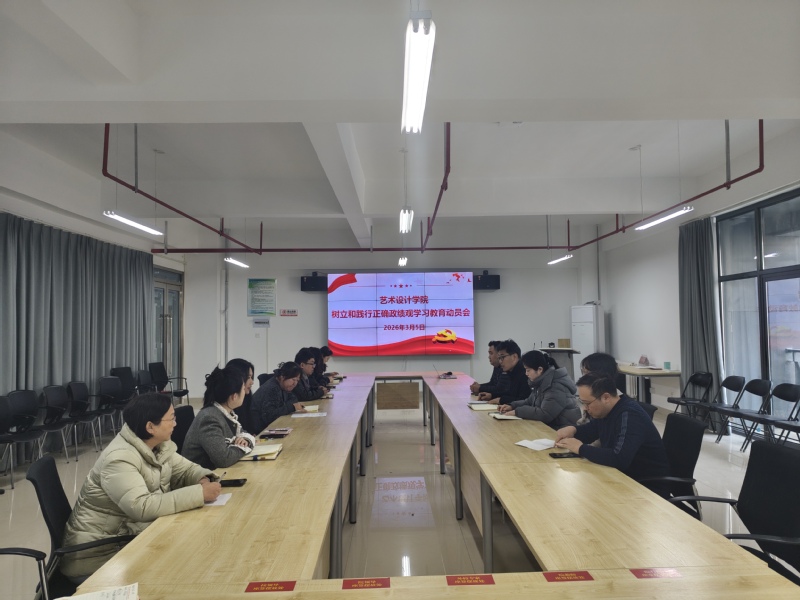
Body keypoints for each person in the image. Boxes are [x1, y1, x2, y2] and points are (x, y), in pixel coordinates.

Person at [61, 393, 221, 581]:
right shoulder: (119, 458)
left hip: (130, 539)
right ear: (150, 427)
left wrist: (202, 478)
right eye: (171, 418)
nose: (175, 424)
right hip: (98, 557)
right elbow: (141, 506)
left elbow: (185, 469)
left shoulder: (158, 445)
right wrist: (199, 494)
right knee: (185, 568)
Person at [554, 372, 670, 495]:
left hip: (646, 488)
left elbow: (619, 458)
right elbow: (592, 430)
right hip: (622, 477)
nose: (585, 408)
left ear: (606, 397)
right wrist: (573, 430)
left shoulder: (630, 415)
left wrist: (580, 448)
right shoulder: (607, 410)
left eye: (587, 403)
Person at [182, 366, 257, 469]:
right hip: (204, 476)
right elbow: (223, 459)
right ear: (234, 396)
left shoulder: (225, 412)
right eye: (243, 389)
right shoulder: (209, 418)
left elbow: (244, 433)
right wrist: (244, 447)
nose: (245, 392)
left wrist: (245, 440)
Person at [498, 350, 580, 428]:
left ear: (540, 369)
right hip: (550, 427)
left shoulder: (555, 386)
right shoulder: (541, 382)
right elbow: (529, 401)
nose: (526, 373)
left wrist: (517, 412)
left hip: (561, 430)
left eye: (528, 370)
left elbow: (545, 414)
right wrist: (512, 406)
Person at [250, 361, 306, 432]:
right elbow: (269, 416)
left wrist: (292, 406)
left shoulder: (284, 386)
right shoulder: (272, 388)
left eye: (297, 380)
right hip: (259, 430)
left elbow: (293, 399)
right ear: (282, 377)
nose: (295, 383)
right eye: (293, 379)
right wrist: (292, 407)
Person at [478, 339, 530, 405]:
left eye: (502, 357)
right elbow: (509, 393)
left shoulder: (525, 372)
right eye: (499, 358)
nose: (500, 361)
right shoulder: (511, 371)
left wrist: (501, 400)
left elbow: (524, 400)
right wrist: (491, 395)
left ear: (514, 357)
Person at [226, 357, 258, 434]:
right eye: (248, 377)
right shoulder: (227, 405)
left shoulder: (247, 397)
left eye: (251, 377)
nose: (252, 382)